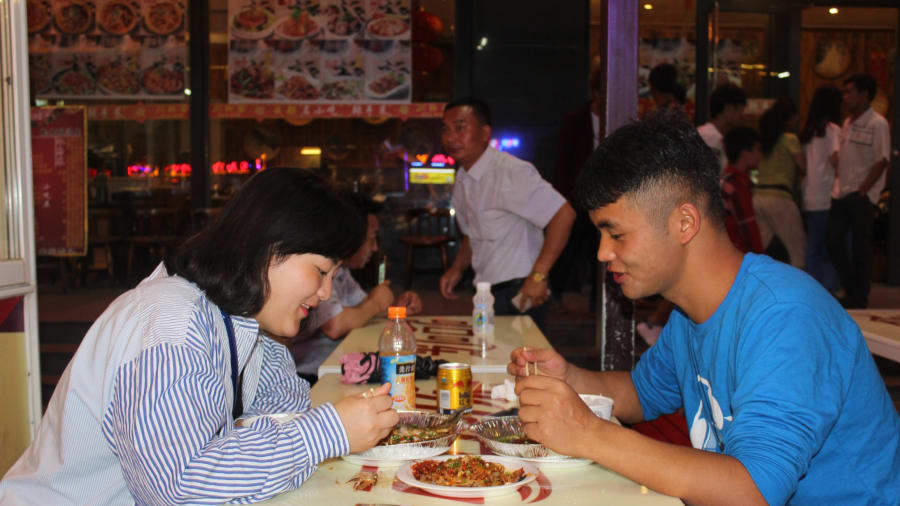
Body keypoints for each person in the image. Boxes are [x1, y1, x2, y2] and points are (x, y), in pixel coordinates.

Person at [507, 111, 900, 505]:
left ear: (684, 222)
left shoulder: (786, 317)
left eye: (616, 234)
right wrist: (570, 378)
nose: (603, 253)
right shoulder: (689, 312)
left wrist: (590, 433)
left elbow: (752, 491)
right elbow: (641, 394)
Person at [0, 168, 399, 504]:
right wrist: (327, 432)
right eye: (321, 271)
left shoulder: (251, 324)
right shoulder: (171, 327)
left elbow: (282, 416)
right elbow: (180, 489)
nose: (326, 292)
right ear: (268, 248)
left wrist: (287, 444)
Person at [439, 98, 576, 329]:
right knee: (489, 349)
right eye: (446, 130)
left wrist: (539, 276)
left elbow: (564, 214)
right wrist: (457, 268)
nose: (450, 138)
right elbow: (472, 233)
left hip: (521, 289)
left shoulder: (510, 171)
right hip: (485, 291)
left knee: (523, 353)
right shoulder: (462, 178)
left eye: (460, 128)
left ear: (485, 133)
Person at [292, 192, 422, 383]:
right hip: (310, 376)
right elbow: (335, 326)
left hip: (338, 365)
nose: (375, 248)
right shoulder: (320, 270)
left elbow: (362, 307)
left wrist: (395, 309)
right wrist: (376, 303)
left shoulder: (342, 271)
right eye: (372, 238)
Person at [827, 73, 891, 309]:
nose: (846, 97)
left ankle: (859, 296)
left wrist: (864, 189)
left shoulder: (878, 123)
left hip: (861, 193)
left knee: (860, 246)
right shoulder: (847, 122)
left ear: (864, 95)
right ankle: (851, 288)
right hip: (842, 191)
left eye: (850, 92)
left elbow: (882, 159)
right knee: (833, 240)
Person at [550, 67, 603, 311]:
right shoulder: (576, 120)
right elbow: (563, 161)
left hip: (606, 197)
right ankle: (554, 294)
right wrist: (564, 197)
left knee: (599, 249)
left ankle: (598, 301)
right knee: (568, 247)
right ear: (595, 93)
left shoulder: (618, 118)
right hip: (577, 195)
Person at [752, 96, 807, 268]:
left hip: (758, 197)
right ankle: (798, 284)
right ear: (790, 118)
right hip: (780, 198)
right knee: (797, 250)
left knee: (758, 249)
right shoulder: (789, 139)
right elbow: (803, 166)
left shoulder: (764, 140)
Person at [799, 85, 843, 293]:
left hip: (810, 194)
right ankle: (827, 289)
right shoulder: (832, 130)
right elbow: (836, 159)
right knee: (828, 247)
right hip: (827, 194)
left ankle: (811, 288)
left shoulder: (808, 132)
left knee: (814, 246)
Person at [721, 126, 764, 253]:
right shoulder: (737, 184)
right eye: (758, 150)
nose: (760, 155)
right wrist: (759, 258)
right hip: (738, 252)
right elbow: (748, 226)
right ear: (745, 154)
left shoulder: (726, 179)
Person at [697, 83, 747, 173]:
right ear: (728, 109)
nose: (742, 116)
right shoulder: (710, 137)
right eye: (740, 111)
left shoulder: (711, 134)